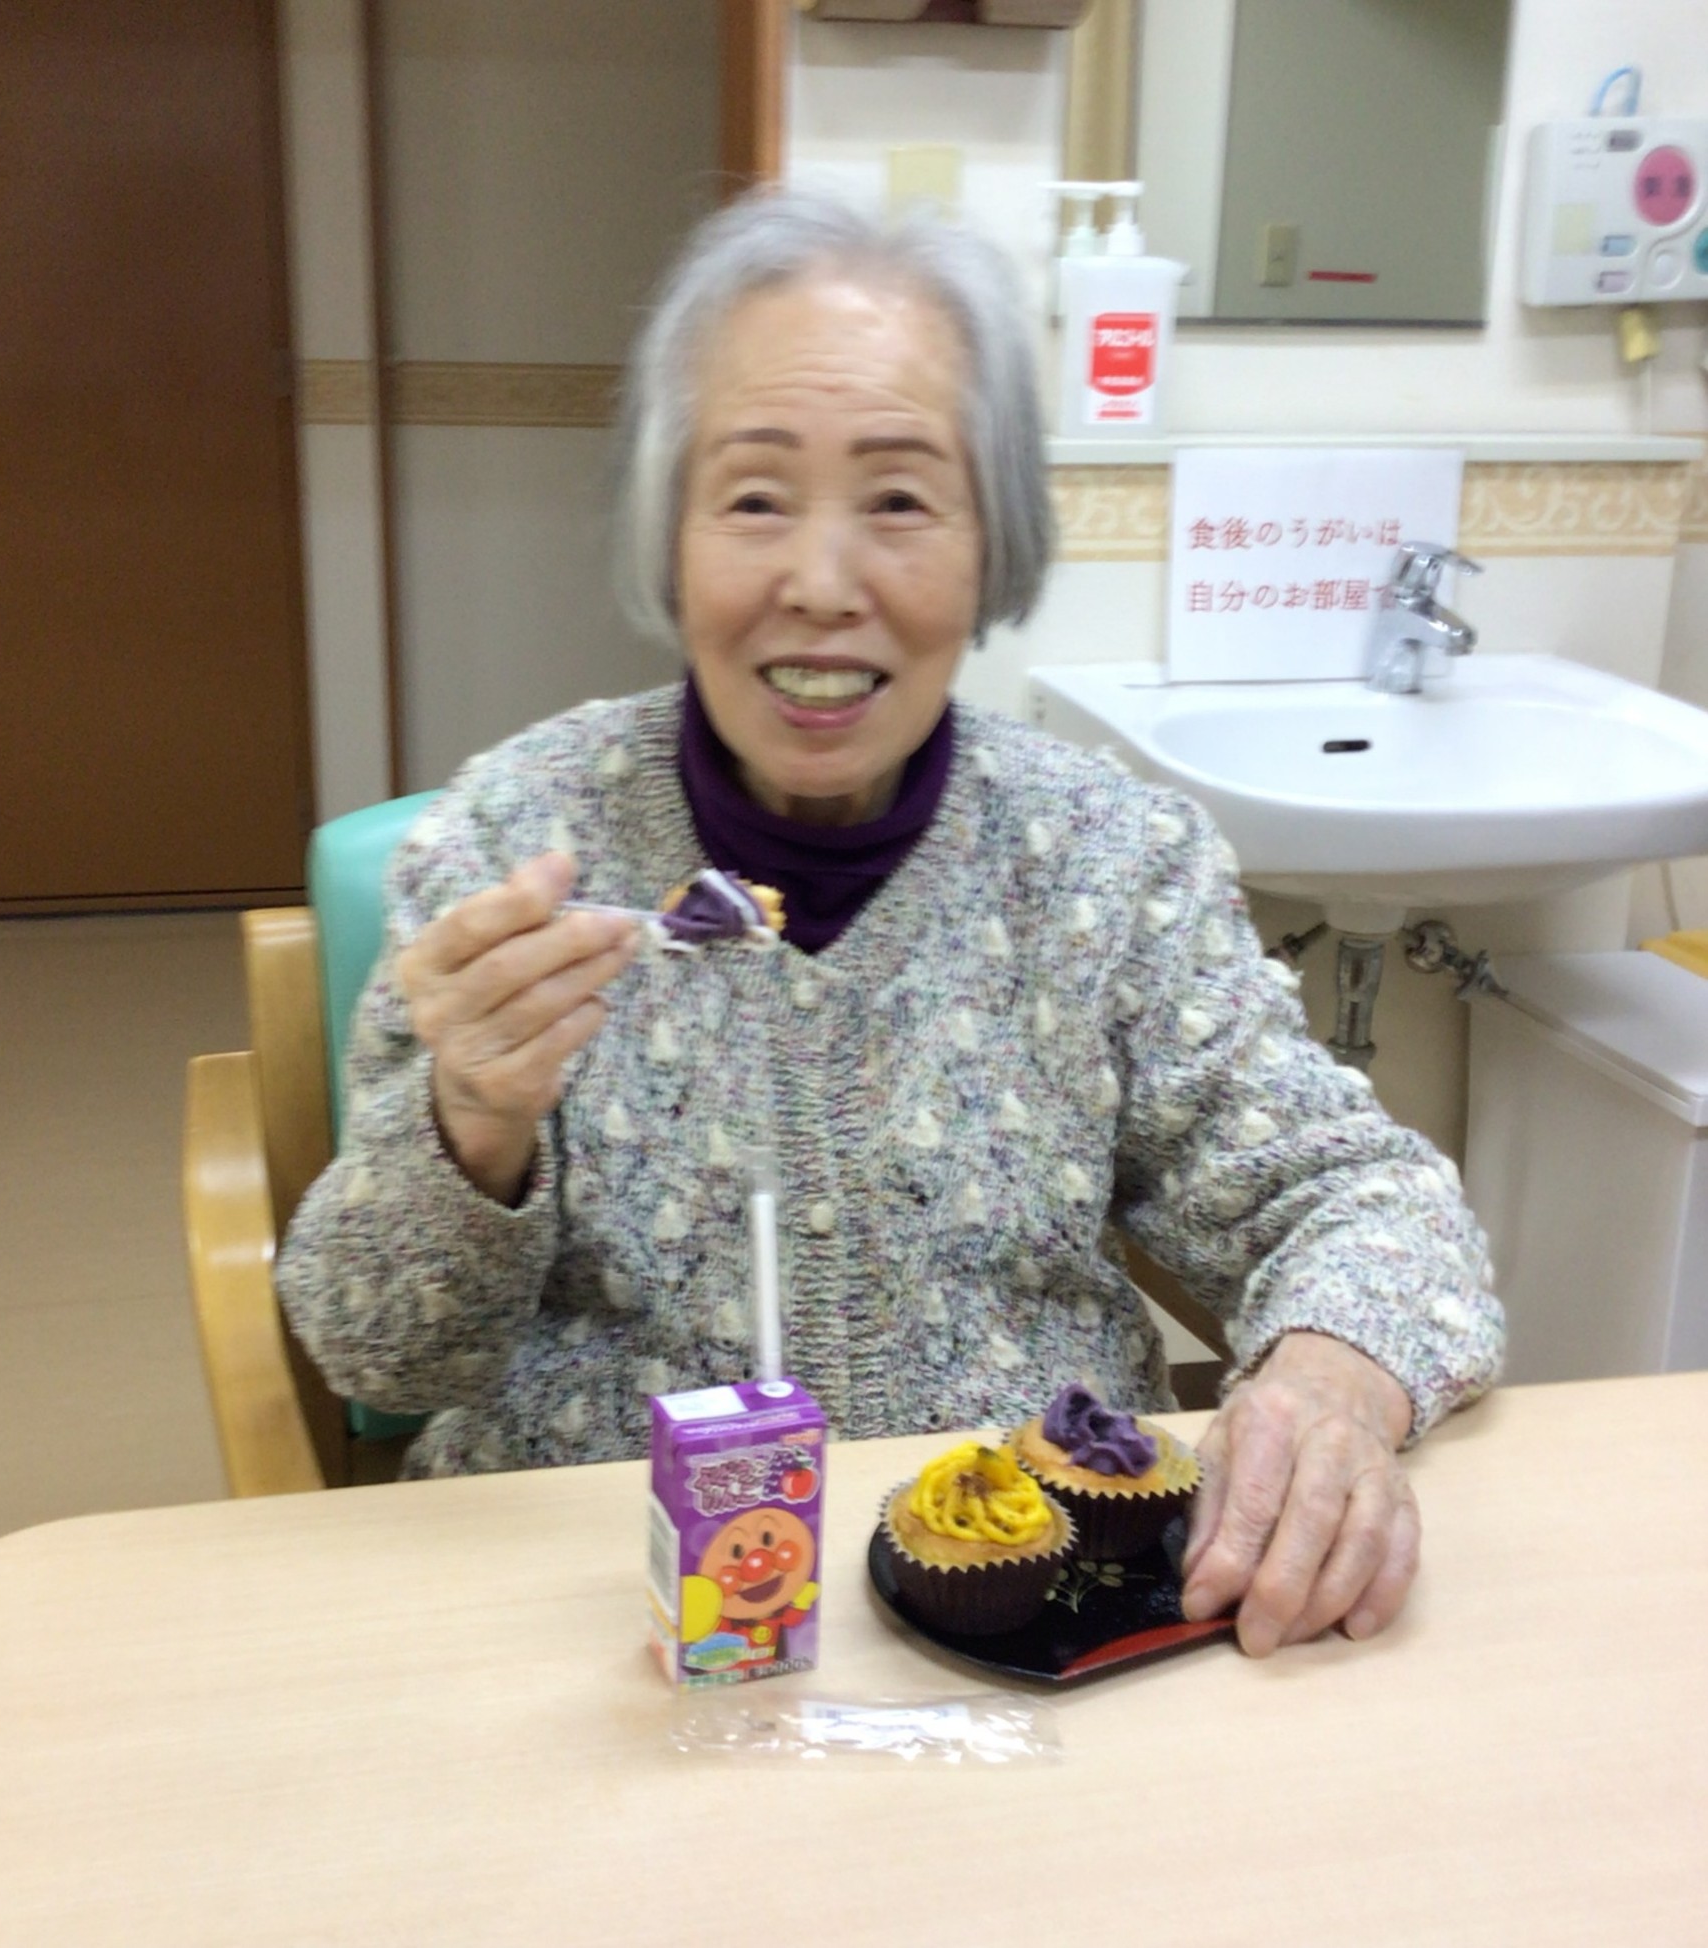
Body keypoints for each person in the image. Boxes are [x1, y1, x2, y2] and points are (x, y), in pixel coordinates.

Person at [277, 190, 1503, 1658]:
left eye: (902, 501)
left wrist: (1328, 1382)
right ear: (669, 540)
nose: (820, 584)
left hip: (1024, 1626)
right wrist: (471, 1126)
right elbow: (375, 1351)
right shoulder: (509, 846)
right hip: (595, 1628)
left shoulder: (1108, 862)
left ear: (995, 549)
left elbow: (1362, 1196)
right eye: (753, 498)